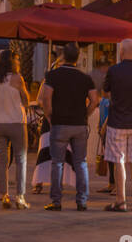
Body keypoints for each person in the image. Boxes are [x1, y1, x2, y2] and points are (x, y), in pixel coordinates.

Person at [41, 43, 97, 212]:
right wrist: (85, 114)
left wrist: (50, 116)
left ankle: (56, 201)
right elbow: (94, 100)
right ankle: (82, 201)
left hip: (60, 123)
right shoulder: (85, 78)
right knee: (81, 163)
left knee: (57, 163)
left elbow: (46, 98)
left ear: (63, 56)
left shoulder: (53, 76)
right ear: (78, 57)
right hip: (79, 124)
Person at [102, 37, 132, 212]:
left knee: (118, 161)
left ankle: (121, 200)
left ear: (121, 52)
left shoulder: (114, 70)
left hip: (117, 122)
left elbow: (105, 91)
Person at [0, 49, 31, 209]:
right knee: (21, 159)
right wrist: (23, 89)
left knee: (3, 160)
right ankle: (20, 196)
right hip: (16, 123)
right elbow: (26, 101)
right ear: (13, 62)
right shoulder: (17, 78)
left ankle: (3, 195)